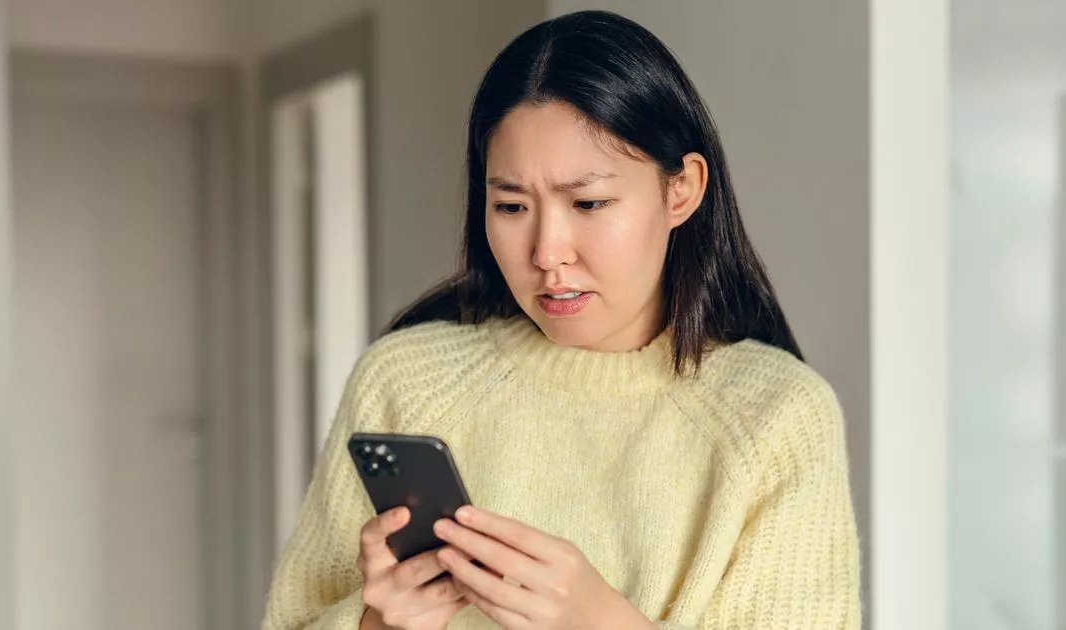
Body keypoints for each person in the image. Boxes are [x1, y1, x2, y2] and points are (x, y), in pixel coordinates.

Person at [262, 9, 860, 630]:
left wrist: (599, 620)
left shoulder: (777, 419)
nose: (547, 251)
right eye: (511, 205)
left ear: (680, 190)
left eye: (589, 202)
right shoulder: (406, 382)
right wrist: (377, 624)